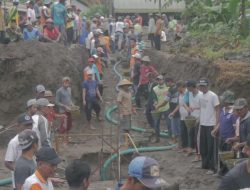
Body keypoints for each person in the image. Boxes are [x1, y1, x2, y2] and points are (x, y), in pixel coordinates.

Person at [5, 113, 34, 190]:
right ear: (18, 126)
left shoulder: (33, 138)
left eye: (30, 124)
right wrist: (21, 170)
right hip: (20, 182)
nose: (29, 127)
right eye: (26, 125)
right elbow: (7, 162)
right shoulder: (14, 142)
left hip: (33, 179)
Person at [211, 90, 237, 176]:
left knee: (228, 156)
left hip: (229, 139)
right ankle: (221, 172)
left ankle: (227, 174)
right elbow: (221, 122)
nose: (222, 101)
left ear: (227, 101)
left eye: (223, 99)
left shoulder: (233, 113)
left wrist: (234, 140)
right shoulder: (223, 110)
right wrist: (215, 130)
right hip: (221, 137)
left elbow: (236, 128)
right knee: (221, 155)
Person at [198, 78, 220, 175]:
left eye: (203, 85)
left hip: (211, 124)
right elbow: (202, 109)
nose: (202, 87)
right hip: (203, 123)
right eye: (200, 86)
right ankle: (205, 164)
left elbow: (218, 109)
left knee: (211, 147)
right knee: (203, 146)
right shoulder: (201, 95)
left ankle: (212, 167)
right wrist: (199, 119)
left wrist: (216, 124)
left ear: (207, 86)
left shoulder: (213, 96)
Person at [169, 81, 189, 152]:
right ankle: (182, 146)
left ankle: (187, 147)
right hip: (182, 116)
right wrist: (173, 112)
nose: (177, 89)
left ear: (181, 87)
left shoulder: (188, 93)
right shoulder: (180, 94)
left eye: (178, 88)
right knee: (182, 132)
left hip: (189, 117)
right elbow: (179, 105)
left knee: (187, 133)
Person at [186, 80, 203, 161]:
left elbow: (203, 107)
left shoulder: (200, 95)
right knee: (190, 134)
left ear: (192, 86)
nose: (187, 88)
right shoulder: (189, 93)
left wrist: (198, 118)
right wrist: (189, 109)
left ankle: (198, 154)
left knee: (197, 137)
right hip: (192, 117)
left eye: (188, 87)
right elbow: (189, 104)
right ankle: (191, 149)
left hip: (199, 118)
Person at [117, 79, 136, 145]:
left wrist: (133, 109)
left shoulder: (129, 92)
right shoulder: (121, 92)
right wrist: (121, 113)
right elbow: (119, 103)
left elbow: (131, 102)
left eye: (127, 85)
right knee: (123, 127)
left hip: (129, 111)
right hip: (124, 112)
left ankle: (127, 140)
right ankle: (122, 141)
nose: (127, 86)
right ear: (123, 86)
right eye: (125, 85)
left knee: (128, 126)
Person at [153, 75, 169, 143]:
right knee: (156, 124)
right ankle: (157, 138)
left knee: (169, 124)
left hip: (167, 108)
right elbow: (153, 97)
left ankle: (171, 139)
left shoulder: (168, 87)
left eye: (160, 79)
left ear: (163, 80)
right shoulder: (154, 88)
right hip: (158, 109)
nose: (159, 81)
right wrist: (155, 102)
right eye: (158, 80)